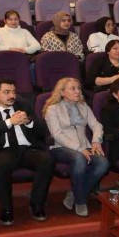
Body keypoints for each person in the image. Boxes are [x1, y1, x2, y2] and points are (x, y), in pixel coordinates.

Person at [0, 79, 54, 225]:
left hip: (26, 148)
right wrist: (10, 122)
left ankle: (37, 204)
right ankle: (7, 209)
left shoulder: (23, 105)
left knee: (46, 160)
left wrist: (29, 122)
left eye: (14, 92)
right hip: (1, 150)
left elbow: (42, 131)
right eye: (6, 92)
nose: (12, 96)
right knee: (1, 164)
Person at [43, 77, 108, 217]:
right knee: (79, 158)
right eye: (73, 89)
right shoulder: (52, 109)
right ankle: (80, 201)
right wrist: (79, 148)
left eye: (78, 88)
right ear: (62, 92)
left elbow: (96, 125)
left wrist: (96, 141)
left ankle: (75, 193)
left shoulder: (84, 106)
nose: (77, 91)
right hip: (60, 148)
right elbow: (57, 134)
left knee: (103, 163)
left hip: (85, 146)